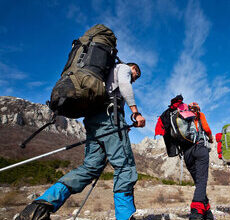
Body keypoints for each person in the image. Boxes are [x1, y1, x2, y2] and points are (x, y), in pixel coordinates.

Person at [17, 62, 146, 220]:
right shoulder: (123, 68)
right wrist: (136, 113)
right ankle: (125, 216)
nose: (135, 78)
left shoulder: (104, 75)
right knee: (125, 167)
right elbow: (125, 86)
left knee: (89, 167)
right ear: (133, 68)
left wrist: (122, 123)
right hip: (109, 118)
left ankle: (38, 208)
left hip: (93, 121)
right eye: (136, 75)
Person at [185, 102, 214, 220]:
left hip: (187, 153)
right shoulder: (199, 114)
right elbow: (206, 128)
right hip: (200, 148)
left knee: (199, 183)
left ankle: (208, 214)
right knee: (201, 181)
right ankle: (196, 213)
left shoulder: (183, 117)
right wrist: (211, 138)